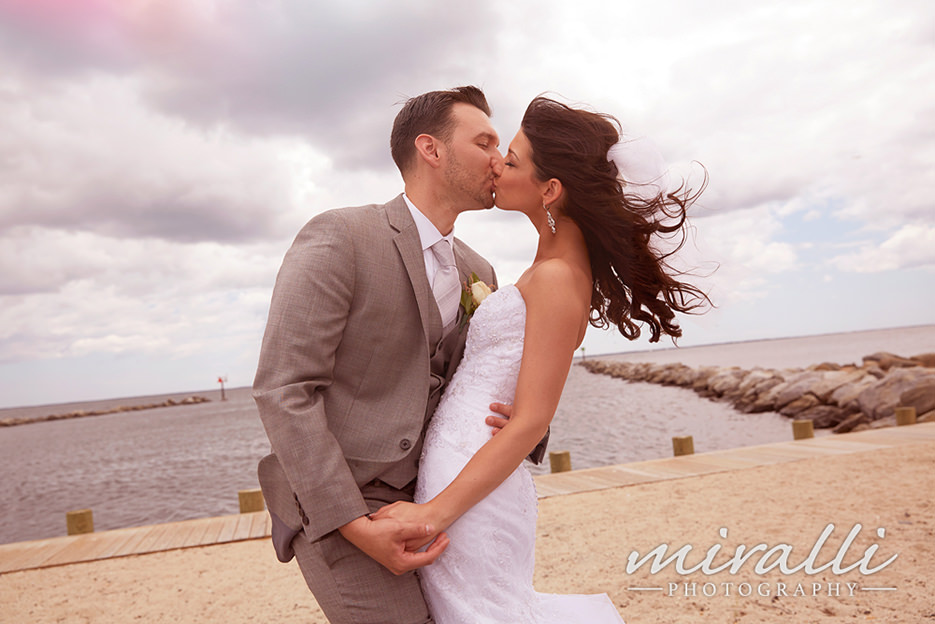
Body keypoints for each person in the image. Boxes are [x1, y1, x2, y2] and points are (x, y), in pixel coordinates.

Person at [371, 96, 710, 622]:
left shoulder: (555, 278)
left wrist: (432, 513)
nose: (496, 166)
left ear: (549, 190)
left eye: (511, 159)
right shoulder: (552, 268)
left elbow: (530, 421)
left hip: (466, 492)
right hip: (468, 467)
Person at [252, 86, 547, 624]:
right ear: (430, 149)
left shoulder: (479, 270)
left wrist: (523, 421)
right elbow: (284, 389)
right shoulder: (341, 236)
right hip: (344, 500)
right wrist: (354, 524)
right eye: (483, 141)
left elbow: (465, 381)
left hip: (434, 497)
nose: (499, 159)